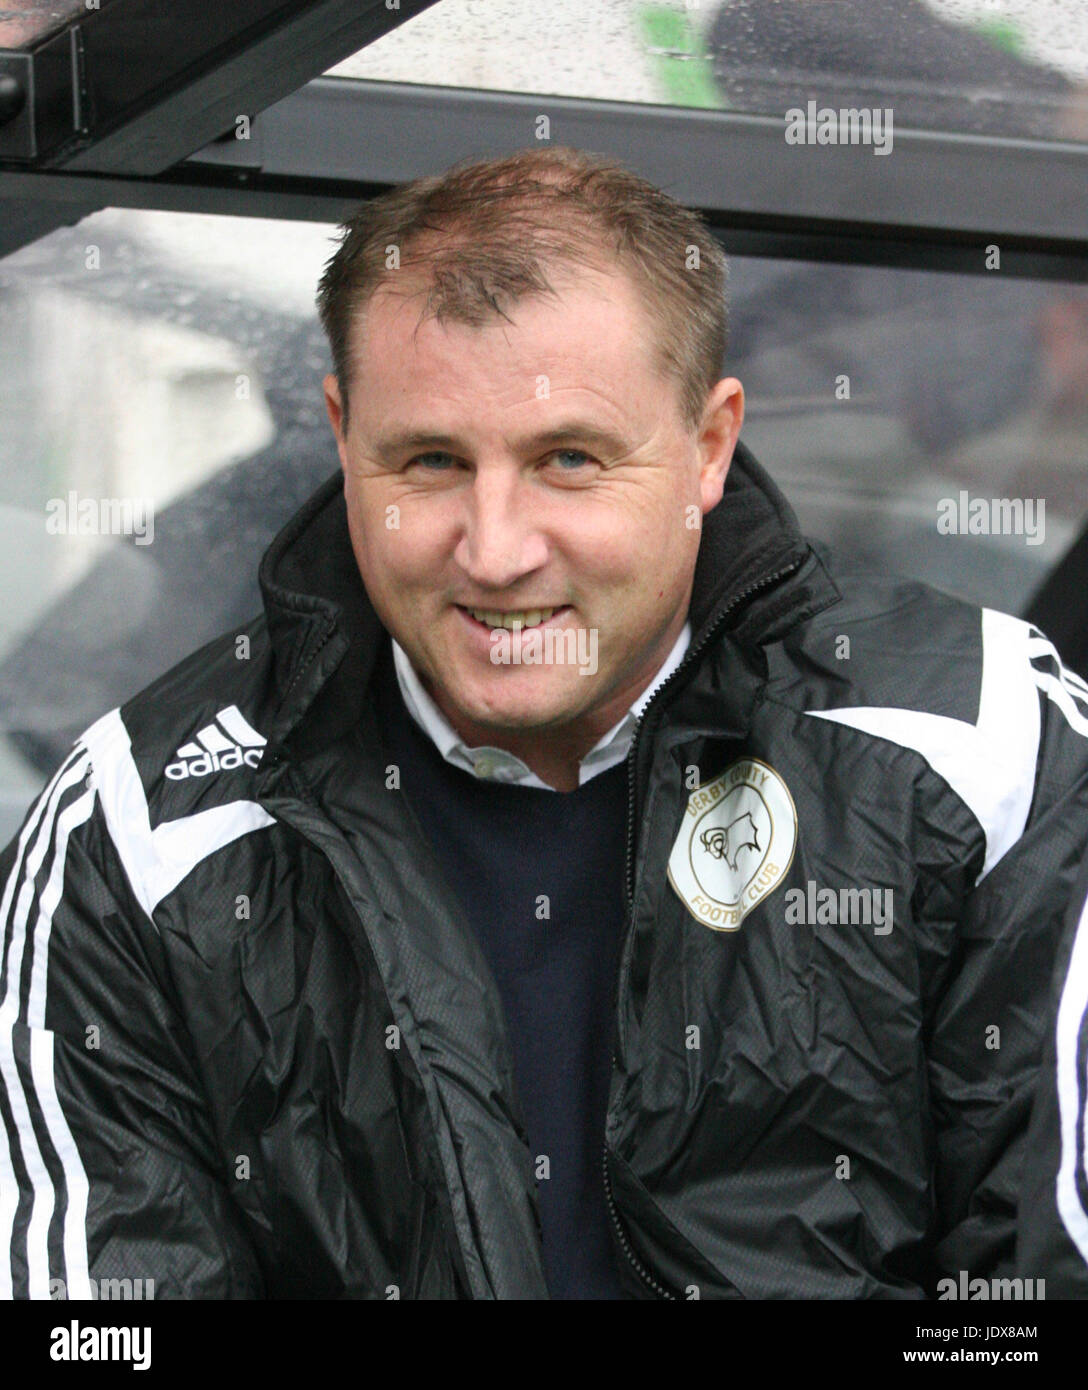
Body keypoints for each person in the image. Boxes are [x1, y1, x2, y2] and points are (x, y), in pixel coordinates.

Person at [2, 146, 1087, 1301]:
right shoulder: (140, 829)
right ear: (339, 433)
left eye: (567, 459)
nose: (496, 549)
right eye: (428, 460)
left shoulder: (981, 743)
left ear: (707, 446)